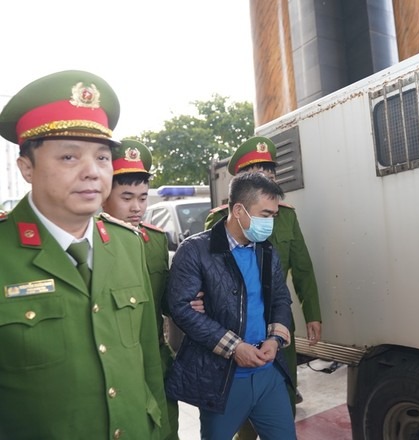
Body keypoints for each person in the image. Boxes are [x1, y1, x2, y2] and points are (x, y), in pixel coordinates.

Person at [0, 70, 169, 439]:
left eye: (103, 157)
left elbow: (148, 362)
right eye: (69, 157)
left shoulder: (127, 244)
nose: (92, 172)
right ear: (26, 167)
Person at [166, 172, 296, 440]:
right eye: (265, 215)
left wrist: (275, 340)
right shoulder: (195, 251)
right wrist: (235, 347)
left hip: (268, 374)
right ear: (238, 210)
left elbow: (280, 298)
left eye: (274, 216)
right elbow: (181, 308)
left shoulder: (266, 250)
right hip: (222, 379)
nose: (270, 223)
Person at [205, 137, 322, 416]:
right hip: (236, 323)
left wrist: (313, 314)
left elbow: (302, 267)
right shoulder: (219, 219)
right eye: (260, 175)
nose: (269, 180)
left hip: (278, 321)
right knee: (240, 402)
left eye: (271, 174)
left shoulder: (286, 217)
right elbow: (208, 273)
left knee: (283, 390)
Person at [102, 138, 179, 439]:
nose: (137, 207)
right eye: (126, 197)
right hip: (118, 363)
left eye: (143, 198)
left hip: (157, 358)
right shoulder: (92, 242)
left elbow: (164, 302)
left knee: (168, 429)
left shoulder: (155, 240)